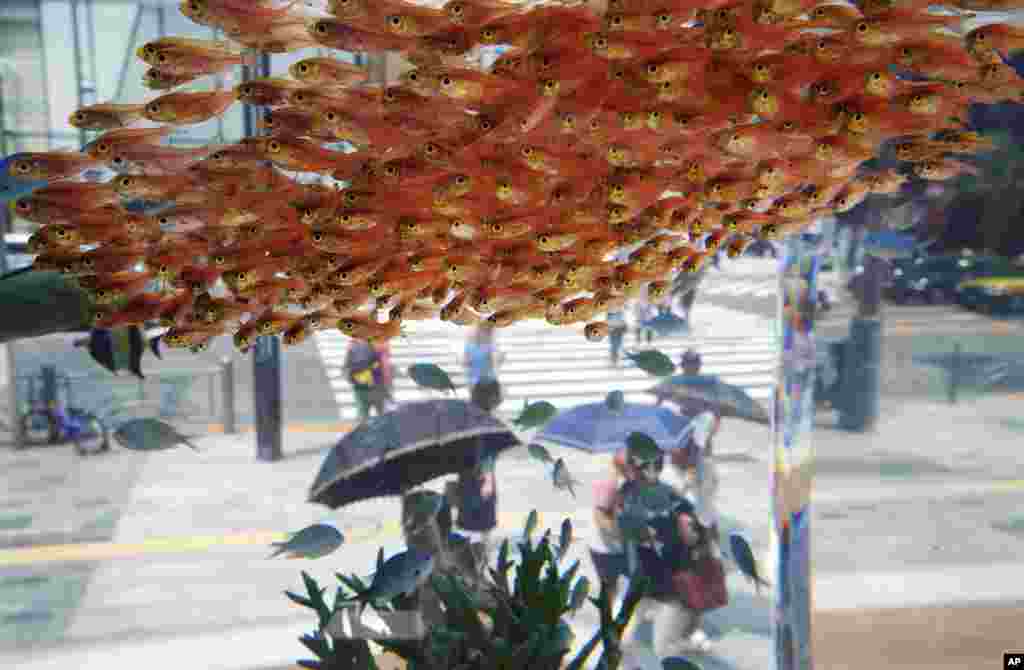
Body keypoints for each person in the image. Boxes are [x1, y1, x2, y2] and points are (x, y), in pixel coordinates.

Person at [452, 323, 505, 568]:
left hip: (465, 475)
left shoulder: (465, 421)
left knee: (468, 517)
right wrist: (488, 480)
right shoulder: (488, 426)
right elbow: (488, 456)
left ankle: (470, 549)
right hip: (479, 476)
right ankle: (480, 552)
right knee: (481, 515)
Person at [344, 338, 386, 424]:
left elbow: (346, 367)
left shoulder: (352, 347)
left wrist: (353, 379)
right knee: (381, 414)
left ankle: (363, 433)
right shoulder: (375, 346)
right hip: (375, 386)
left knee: (364, 415)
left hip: (360, 387)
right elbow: (382, 367)